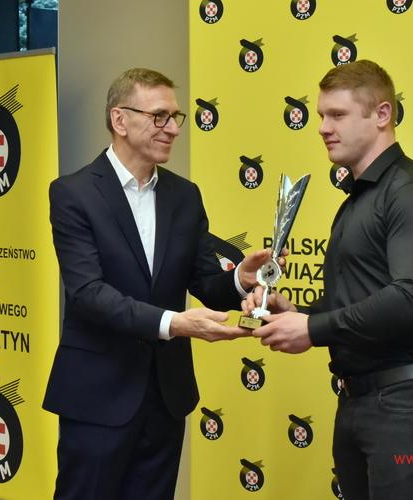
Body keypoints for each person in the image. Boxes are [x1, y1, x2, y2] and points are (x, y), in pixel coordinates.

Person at [243, 60, 413, 499]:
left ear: (382, 114)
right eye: (320, 115)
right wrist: (296, 313)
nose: (323, 128)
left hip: (412, 403)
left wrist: (313, 329)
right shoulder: (357, 200)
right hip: (361, 399)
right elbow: (362, 298)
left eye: (338, 115)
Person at [43, 67, 273, 500]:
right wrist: (175, 323)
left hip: (166, 395)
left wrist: (240, 281)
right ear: (120, 119)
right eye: (159, 117)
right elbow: (88, 294)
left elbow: (206, 280)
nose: (172, 129)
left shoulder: (184, 196)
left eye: (175, 117)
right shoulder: (73, 193)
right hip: (98, 393)